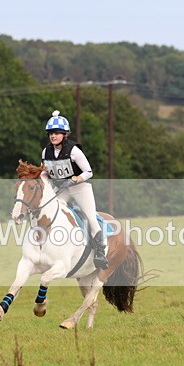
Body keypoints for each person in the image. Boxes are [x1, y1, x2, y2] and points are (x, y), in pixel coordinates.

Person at [41, 110, 109, 270]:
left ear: (64, 134)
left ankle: (100, 253)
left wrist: (75, 179)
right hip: (62, 190)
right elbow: (46, 170)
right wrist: (42, 177)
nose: (53, 136)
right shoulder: (46, 151)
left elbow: (89, 172)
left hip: (79, 188)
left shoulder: (74, 150)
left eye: (57, 133)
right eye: (51, 133)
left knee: (91, 217)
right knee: (51, 211)